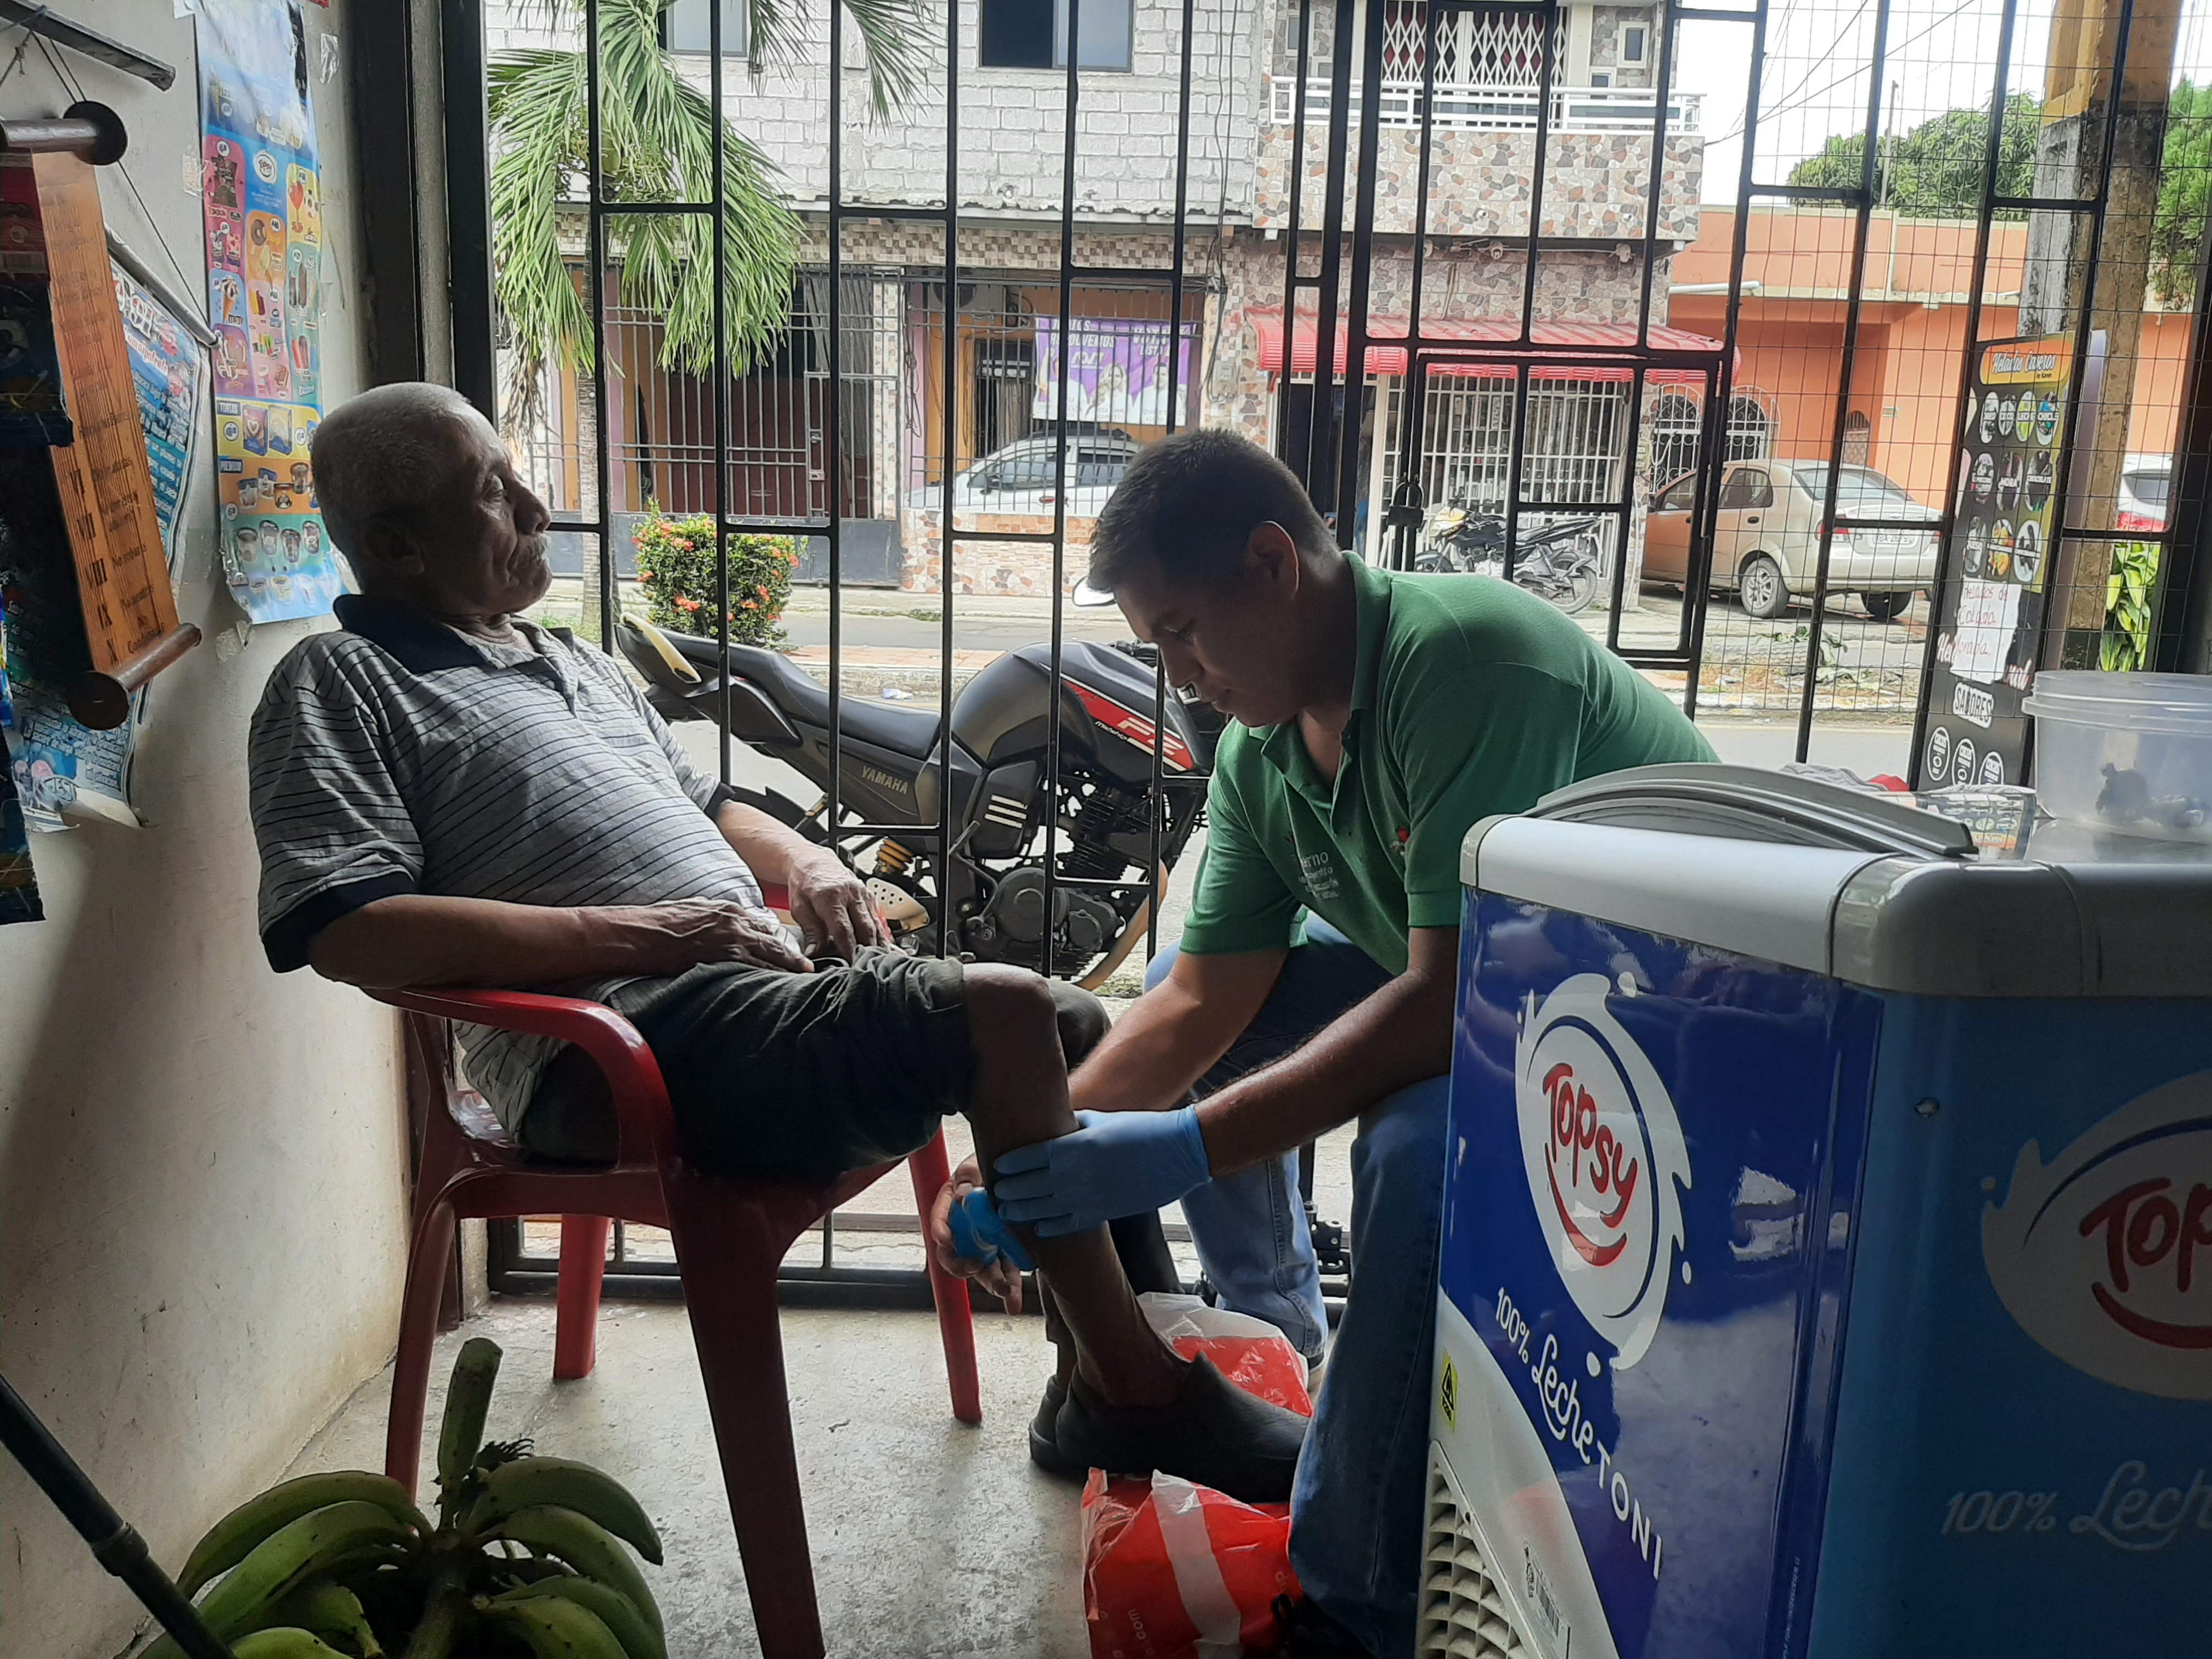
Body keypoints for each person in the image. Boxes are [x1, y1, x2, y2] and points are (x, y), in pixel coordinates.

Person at [246, 383, 1307, 1501]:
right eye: (491, 493)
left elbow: (712, 805)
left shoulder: (573, 662)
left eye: (517, 477)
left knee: (1073, 1024)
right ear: (399, 546)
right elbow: (350, 930)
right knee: (1000, 1013)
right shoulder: (340, 682)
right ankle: (1140, 1396)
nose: (535, 507)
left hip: (739, 998)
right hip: (616, 1047)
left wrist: (808, 861)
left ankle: (1102, 1367)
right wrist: (658, 936)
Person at [936, 430, 1716, 1656]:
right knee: (1189, 1015)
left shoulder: (1463, 662)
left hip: (1664, 1009)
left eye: (1183, 632)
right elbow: (1204, 999)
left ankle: (1354, 1599)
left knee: (1412, 1149)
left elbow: (1445, 1002)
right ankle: (1223, 1354)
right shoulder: (1260, 748)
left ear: (1272, 563)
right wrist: (1032, 1155)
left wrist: (1184, 1145)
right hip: (1487, 974)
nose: (1178, 677)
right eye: (1154, 646)